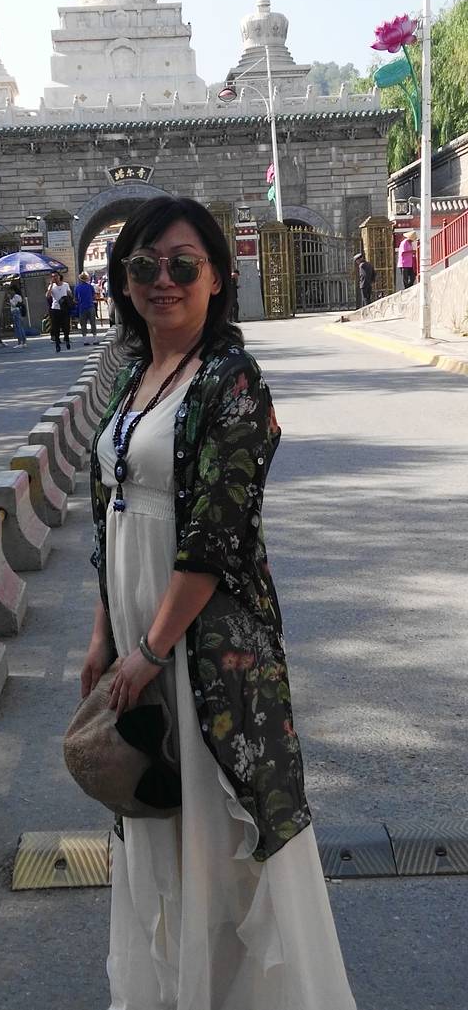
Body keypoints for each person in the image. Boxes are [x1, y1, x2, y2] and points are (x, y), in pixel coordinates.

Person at [80, 196, 357, 1010]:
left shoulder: (233, 380)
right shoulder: (132, 377)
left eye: (182, 264)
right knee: (156, 816)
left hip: (205, 649)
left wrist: (151, 649)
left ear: (218, 277)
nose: (161, 280)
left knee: (220, 831)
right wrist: (104, 635)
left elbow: (216, 534)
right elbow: (107, 515)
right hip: (136, 631)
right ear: (123, 281)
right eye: (143, 265)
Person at [46, 271, 73, 352]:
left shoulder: (65, 285)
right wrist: (51, 285)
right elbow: (47, 296)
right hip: (55, 308)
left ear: (59, 276)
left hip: (64, 308)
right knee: (56, 327)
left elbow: (70, 294)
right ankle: (57, 344)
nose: (54, 278)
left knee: (66, 326)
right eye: (53, 276)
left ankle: (66, 339)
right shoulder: (52, 286)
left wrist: (68, 296)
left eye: (56, 276)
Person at [74, 271, 100, 346]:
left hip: (82, 307)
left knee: (83, 324)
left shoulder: (77, 288)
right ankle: (95, 339)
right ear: (86, 279)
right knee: (93, 323)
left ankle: (85, 340)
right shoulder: (90, 286)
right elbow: (94, 296)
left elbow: (75, 299)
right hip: (90, 306)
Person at [9, 283, 27, 348]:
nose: (10, 292)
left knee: (18, 327)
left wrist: (10, 299)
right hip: (18, 311)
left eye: (11, 290)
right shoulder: (19, 296)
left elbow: (14, 305)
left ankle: (20, 342)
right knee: (21, 327)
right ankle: (24, 342)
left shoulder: (16, 296)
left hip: (16, 312)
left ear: (13, 290)